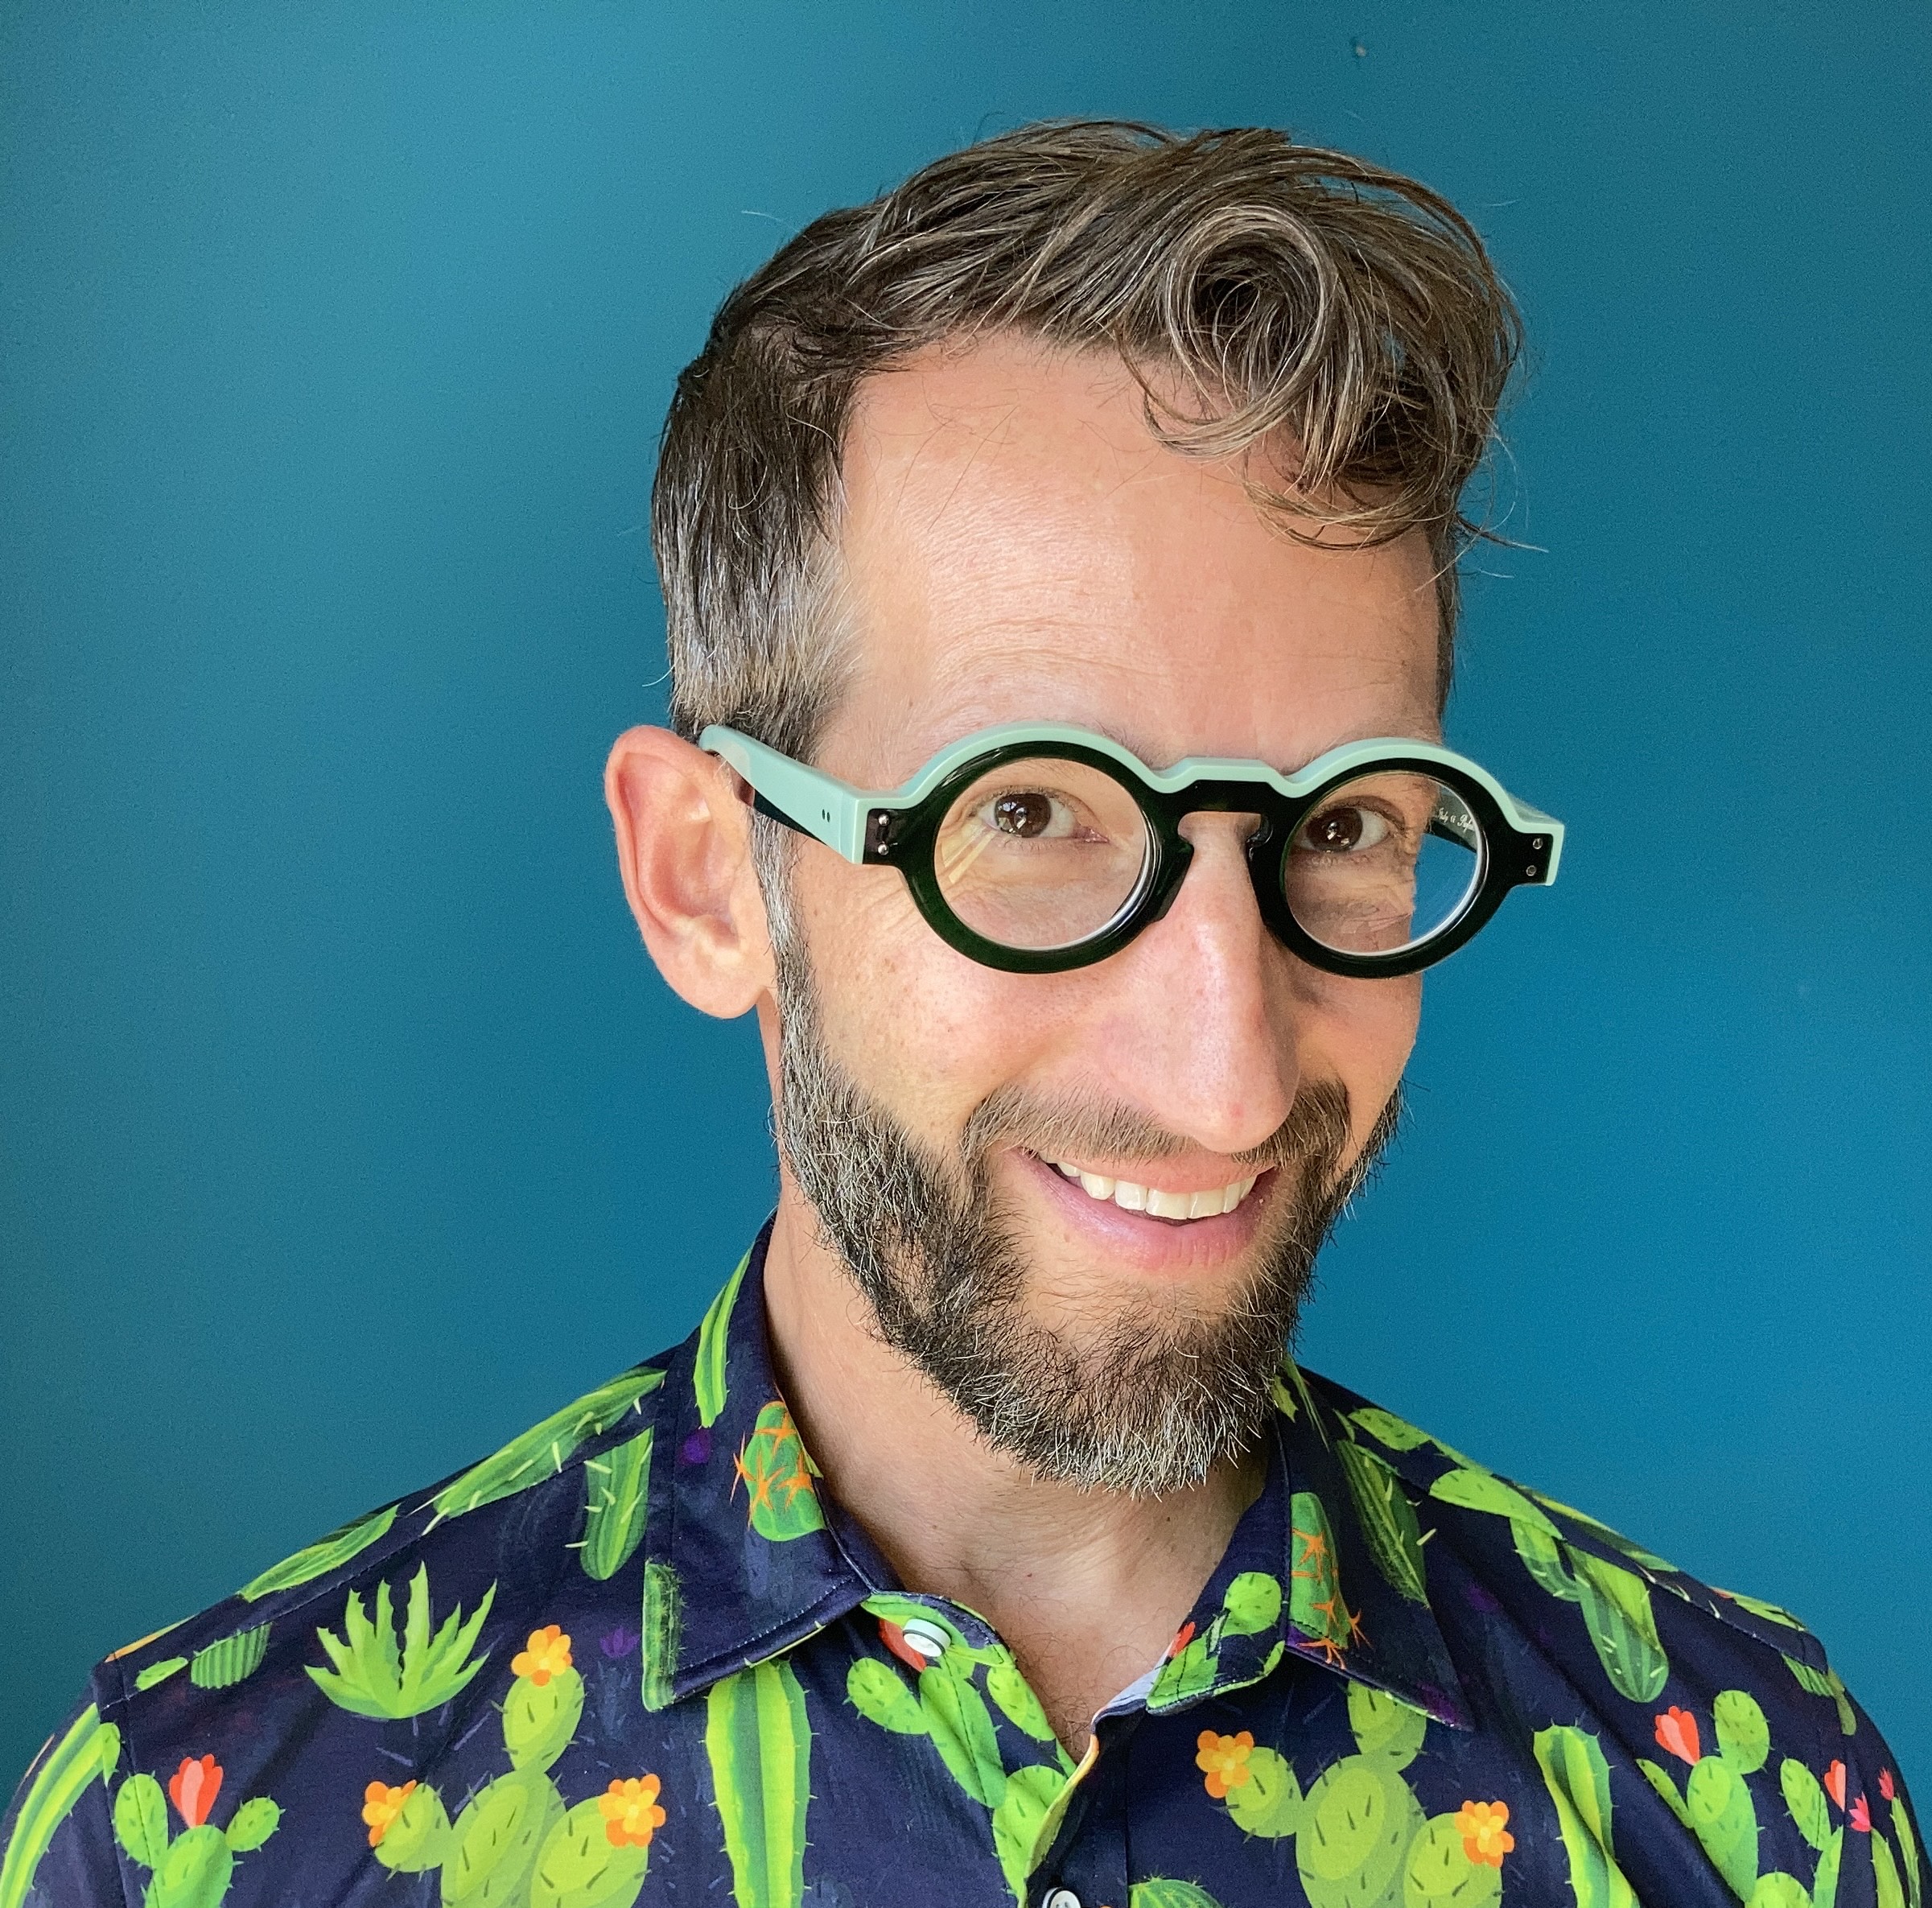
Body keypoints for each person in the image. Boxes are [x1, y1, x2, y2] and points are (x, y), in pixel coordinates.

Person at [2, 120, 1913, 1908]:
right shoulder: (205, 1836)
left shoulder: (1745, 1806)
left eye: (1342, 827)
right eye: (1030, 815)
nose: (1229, 1074)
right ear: (708, 878)